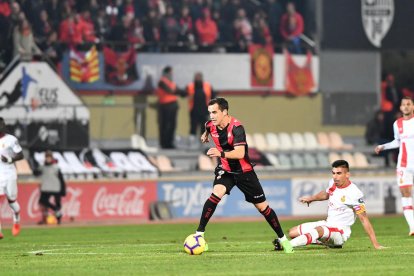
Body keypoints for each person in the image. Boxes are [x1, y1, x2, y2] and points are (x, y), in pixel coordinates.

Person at [195, 97, 293, 253]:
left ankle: (283, 239)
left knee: (263, 207)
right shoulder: (210, 125)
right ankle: (199, 235)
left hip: (244, 172)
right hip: (225, 170)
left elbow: (240, 153)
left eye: (214, 112)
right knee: (216, 193)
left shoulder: (237, 128)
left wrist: (220, 153)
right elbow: (207, 128)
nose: (211, 116)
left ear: (224, 111)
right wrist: (205, 135)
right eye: (210, 113)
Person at [288, 160, 384, 250]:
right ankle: (323, 240)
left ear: (347, 175)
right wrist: (311, 198)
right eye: (333, 173)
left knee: (319, 230)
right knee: (292, 233)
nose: (335, 176)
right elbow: (326, 194)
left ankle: (288, 245)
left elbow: (364, 219)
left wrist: (376, 244)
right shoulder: (333, 183)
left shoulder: (354, 193)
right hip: (327, 224)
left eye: (339, 173)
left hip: (340, 232)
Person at [375, 96, 414, 236]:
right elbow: (397, 142)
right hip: (404, 165)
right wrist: (383, 146)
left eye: (409, 104)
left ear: (413, 106)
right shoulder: (397, 124)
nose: (406, 106)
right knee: (405, 193)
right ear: (401, 107)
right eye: (404, 104)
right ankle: (412, 227)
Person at [0, 117, 24, 239]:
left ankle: (16, 221)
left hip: (9, 173)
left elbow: (20, 154)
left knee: (12, 201)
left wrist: (10, 159)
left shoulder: (11, 139)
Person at [157, 66, 184, 149]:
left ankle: (170, 142)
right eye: (170, 73)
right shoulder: (162, 82)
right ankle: (164, 143)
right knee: (165, 125)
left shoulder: (172, 83)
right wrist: (178, 92)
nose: (171, 74)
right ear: (166, 73)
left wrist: (185, 92)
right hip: (165, 106)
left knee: (172, 125)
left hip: (173, 105)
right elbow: (169, 91)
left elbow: (180, 91)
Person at [35, 150, 66, 225]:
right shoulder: (42, 167)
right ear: (45, 158)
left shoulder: (56, 167)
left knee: (58, 203)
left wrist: (63, 189)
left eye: (49, 157)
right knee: (42, 201)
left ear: (52, 158)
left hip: (56, 187)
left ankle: (58, 220)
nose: (48, 159)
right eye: (47, 157)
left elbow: (61, 179)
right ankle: (49, 216)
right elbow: (35, 173)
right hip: (46, 187)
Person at [186, 72, 215, 146]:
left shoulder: (207, 86)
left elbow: (213, 96)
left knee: (204, 127)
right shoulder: (190, 86)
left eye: (199, 77)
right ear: (194, 78)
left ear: (202, 78)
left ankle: (202, 144)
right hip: (194, 110)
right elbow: (184, 94)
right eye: (196, 77)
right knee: (193, 126)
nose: (198, 78)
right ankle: (191, 144)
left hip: (204, 110)